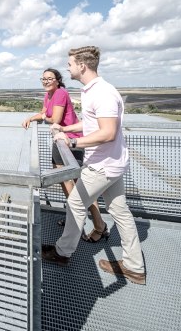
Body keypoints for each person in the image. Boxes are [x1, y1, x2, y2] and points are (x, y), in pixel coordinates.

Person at [41, 46, 146, 285]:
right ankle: (134, 267)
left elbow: (107, 133)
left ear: (82, 66)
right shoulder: (92, 91)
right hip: (112, 164)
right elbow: (92, 124)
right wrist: (66, 129)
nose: (67, 68)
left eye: (70, 64)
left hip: (102, 165)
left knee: (76, 204)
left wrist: (73, 141)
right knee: (120, 212)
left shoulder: (102, 93)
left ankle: (62, 252)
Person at [22, 68, 104, 239]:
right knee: (73, 185)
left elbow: (55, 120)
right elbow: (45, 113)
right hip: (62, 141)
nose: (45, 81)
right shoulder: (49, 94)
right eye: (43, 79)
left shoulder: (59, 93)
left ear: (57, 81)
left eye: (49, 78)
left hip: (70, 142)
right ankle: (94, 224)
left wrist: (43, 118)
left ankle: (83, 222)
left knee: (74, 186)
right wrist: (31, 118)